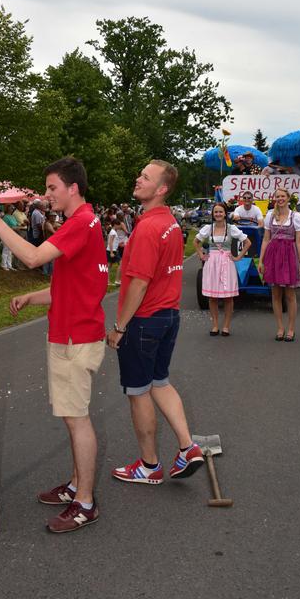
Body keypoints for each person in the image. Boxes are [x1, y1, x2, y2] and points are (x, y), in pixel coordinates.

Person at [0, 157, 107, 534]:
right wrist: (33, 297)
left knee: (77, 419)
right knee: (71, 416)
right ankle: (77, 485)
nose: (47, 195)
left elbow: (31, 257)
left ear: (73, 188)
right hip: (72, 330)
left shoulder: (80, 222)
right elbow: (74, 285)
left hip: (75, 336)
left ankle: (85, 503)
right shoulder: (84, 222)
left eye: (52, 188)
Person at [106, 160, 205, 488]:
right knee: (160, 382)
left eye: (145, 177)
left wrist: (120, 327)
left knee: (138, 392)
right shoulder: (169, 223)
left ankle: (149, 466)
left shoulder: (149, 227)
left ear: (161, 189)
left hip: (144, 319)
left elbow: (139, 283)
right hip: (167, 316)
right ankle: (188, 447)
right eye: (140, 173)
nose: (138, 179)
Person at [194, 202, 250, 336]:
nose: (218, 214)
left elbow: (247, 242)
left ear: (225, 214)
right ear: (213, 214)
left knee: (228, 297)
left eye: (220, 212)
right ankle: (214, 325)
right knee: (212, 297)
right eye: (216, 212)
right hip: (212, 263)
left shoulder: (231, 228)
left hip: (226, 262)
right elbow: (195, 242)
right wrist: (201, 254)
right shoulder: (208, 228)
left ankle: (226, 326)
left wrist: (238, 257)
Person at [259, 188, 300, 342]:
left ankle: (291, 329)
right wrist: (261, 260)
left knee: (290, 294)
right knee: (276, 294)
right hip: (273, 256)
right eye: (277, 196)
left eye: (283, 196)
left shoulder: (295, 216)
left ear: (288, 198)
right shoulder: (270, 215)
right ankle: (280, 327)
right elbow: (266, 239)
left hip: (289, 255)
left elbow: (299, 241)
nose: (280, 199)